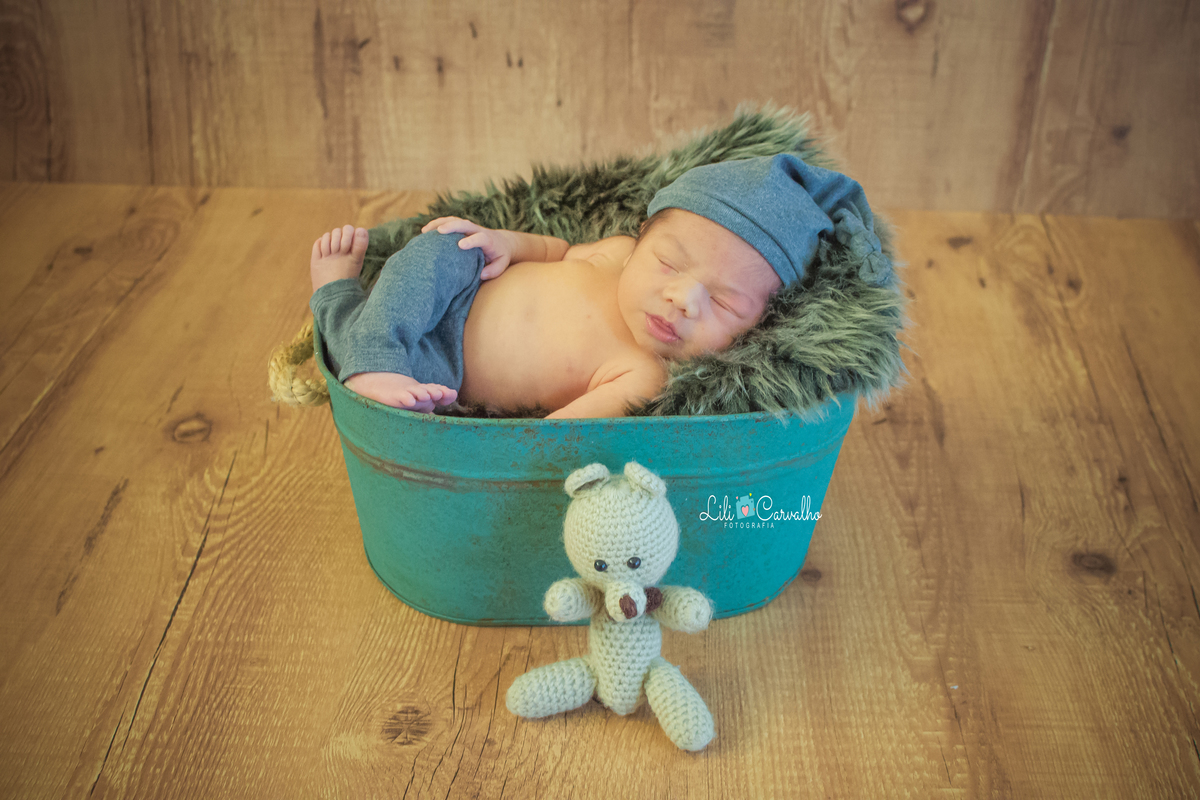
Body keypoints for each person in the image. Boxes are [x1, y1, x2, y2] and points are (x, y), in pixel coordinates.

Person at [308, 154, 886, 419]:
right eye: (669, 262)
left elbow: (562, 432)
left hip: (445, 370)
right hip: (458, 290)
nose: (683, 299)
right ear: (642, 236)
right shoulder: (615, 255)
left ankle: (343, 311)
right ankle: (367, 342)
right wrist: (506, 243)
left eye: (727, 301)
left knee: (410, 394)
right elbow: (556, 250)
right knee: (442, 245)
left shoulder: (645, 373)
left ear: (764, 323)